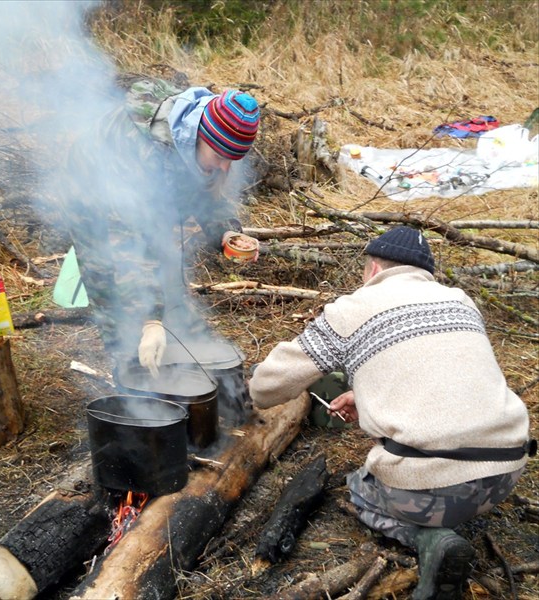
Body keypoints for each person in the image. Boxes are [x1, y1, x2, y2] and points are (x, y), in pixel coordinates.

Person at [248, 226, 534, 600]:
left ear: (373, 270)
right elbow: (439, 376)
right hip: (506, 473)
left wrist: (246, 390)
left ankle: (430, 539)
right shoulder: (461, 300)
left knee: (359, 489)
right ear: (426, 273)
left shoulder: (355, 309)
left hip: (436, 491)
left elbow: (268, 387)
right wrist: (364, 395)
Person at [56, 77, 260, 376]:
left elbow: (208, 193)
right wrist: (149, 322)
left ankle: (171, 338)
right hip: (93, 192)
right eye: (220, 156)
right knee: (107, 272)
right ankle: (128, 365)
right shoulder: (140, 154)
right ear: (198, 137)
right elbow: (128, 244)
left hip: (146, 189)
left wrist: (227, 231)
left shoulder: (201, 137)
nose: (225, 167)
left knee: (162, 261)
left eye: (232, 160)